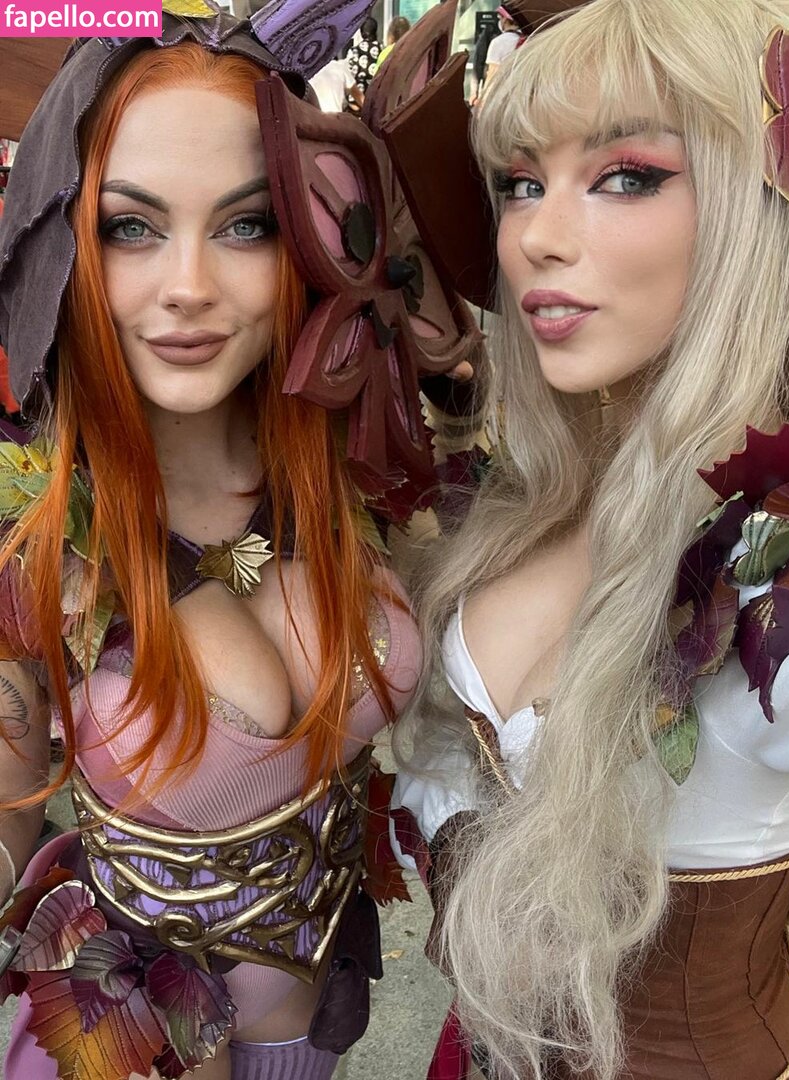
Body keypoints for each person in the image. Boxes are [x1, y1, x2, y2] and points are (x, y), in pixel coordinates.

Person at [0, 4, 481, 1078]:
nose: (189, 287)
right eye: (131, 227)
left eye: (246, 225)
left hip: (315, 1038)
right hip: (131, 1052)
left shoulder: (359, 468)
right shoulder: (26, 529)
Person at [393, 1, 789, 1078]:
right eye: (520, 183)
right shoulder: (528, 499)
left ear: (760, 212)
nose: (534, 237)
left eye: (626, 176)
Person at [347, 16, 381, 94]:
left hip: (356, 96)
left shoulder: (353, 51)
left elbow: (348, 74)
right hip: (375, 95)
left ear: (361, 33)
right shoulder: (381, 49)